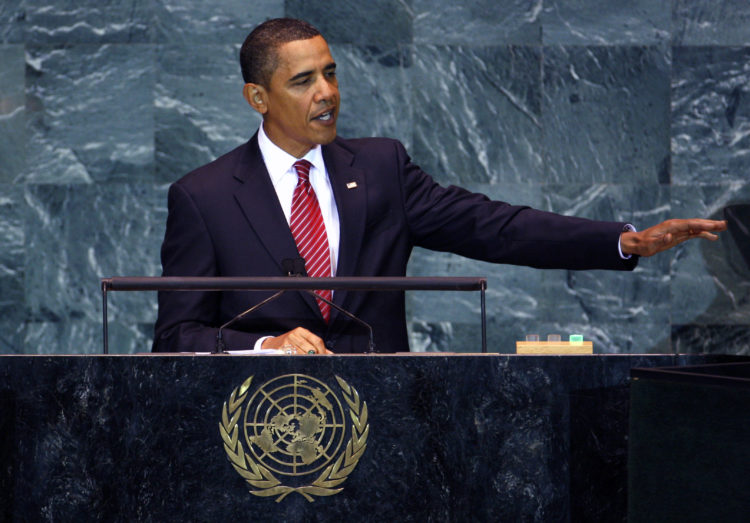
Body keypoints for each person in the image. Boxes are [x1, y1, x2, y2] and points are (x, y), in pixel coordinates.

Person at [152, 18, 726, 355]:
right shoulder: (203, 197)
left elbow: (496, 228)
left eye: (330, 73)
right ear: (258, 98)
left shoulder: (380, 168)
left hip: (387, 417)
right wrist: (262, 347)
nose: (326, 93)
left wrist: (623, 242)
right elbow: (177, 336)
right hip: (260, 431)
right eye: (303, 81)